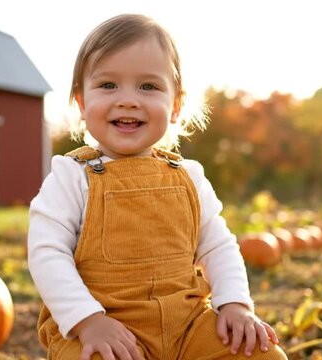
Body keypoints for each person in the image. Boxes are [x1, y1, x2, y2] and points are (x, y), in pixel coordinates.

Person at [28, 13, 288, 360]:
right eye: (108, 85)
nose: (128, 100)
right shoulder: (71, 176)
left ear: (176, 104)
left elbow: (218, 248)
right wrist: (87, 320)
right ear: (81, 103)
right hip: (106, 328)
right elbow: (48, 254)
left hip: (188, 327)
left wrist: (235, 304)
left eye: (148, 86)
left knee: (261, 354)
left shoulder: (189, 176)